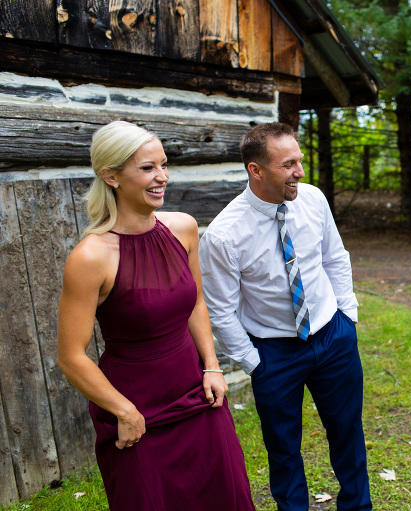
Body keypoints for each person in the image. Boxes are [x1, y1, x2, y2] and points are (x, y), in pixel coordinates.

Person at [56, 121, 255, 510]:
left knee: (225, 495)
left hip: (196, 393)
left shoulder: (182, 228)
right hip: (134, 405)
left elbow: (196, 301)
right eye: (147, 168)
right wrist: (124, 411)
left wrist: (211, 366)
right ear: (111, 176)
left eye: (163, 165)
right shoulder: (90, 257)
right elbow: (71, 356)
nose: (161, 177)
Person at [198, 122, 371, 511]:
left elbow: (334, 258)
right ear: (255, 170)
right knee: (283, 448)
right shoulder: (223, 235)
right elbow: (222, 310)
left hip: (333, 336)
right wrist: (255, 363)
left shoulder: (313, 200)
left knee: (347, 433)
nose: (301, 172)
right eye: (288, 164)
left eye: (300, 160)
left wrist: (348, 317)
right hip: (273, 353)